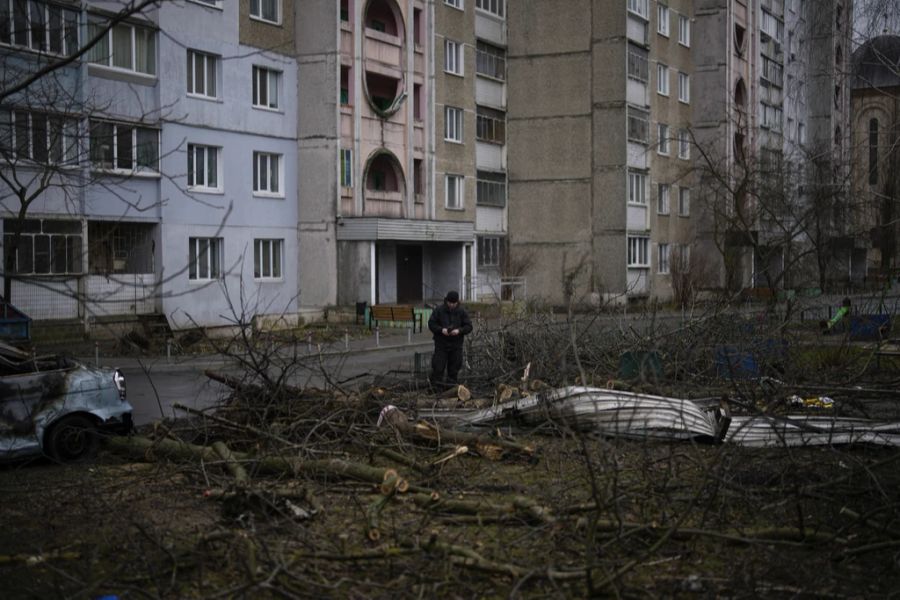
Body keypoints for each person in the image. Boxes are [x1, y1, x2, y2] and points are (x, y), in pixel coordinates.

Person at [428, 290, 472, 386]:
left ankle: (450, 388)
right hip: (441, 344)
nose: (451, 305)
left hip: (456, 345)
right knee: (438, 367)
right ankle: (435, 389)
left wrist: (459, 331)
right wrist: (441, 330)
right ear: (446, 301)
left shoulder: (461, 312)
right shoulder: (439, 310)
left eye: (454, 303)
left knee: (454, 369)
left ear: (457, 302)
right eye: (450, 303)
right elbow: (431, 323)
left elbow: (469, 326)